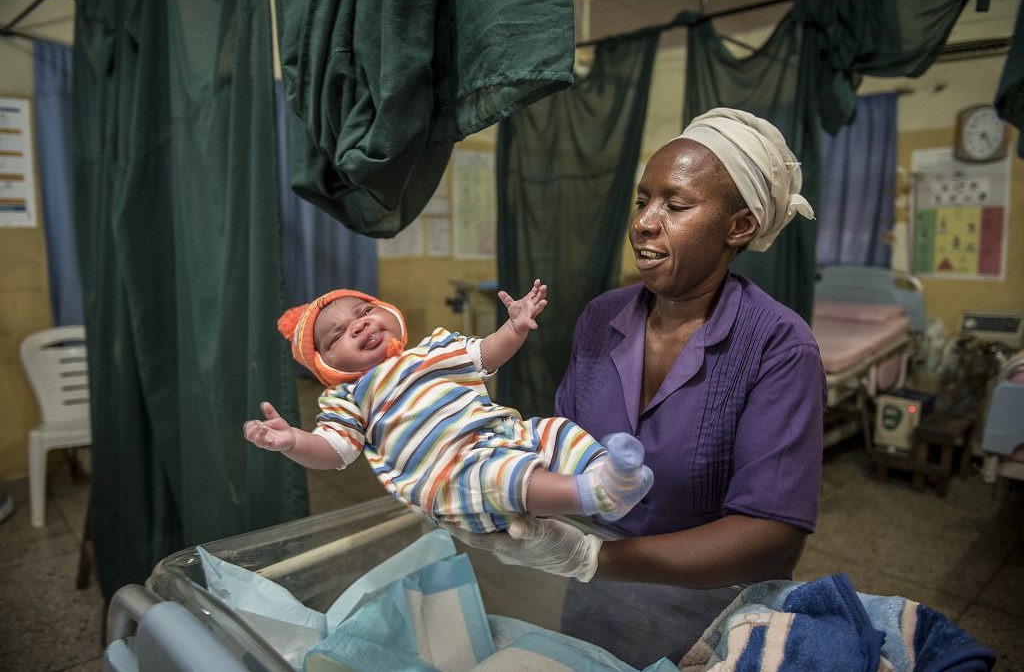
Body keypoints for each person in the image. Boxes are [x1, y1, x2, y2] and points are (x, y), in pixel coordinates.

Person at [448, 108, 827, 664]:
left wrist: (593, 558)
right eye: (642, 200)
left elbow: (771, 534)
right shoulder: (603, 319)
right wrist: (480, 474)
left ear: (738, 227)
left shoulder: (777, 347)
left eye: (675, 206)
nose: (645, 223)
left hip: (710, 616)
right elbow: (559, 443)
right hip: (594, 602)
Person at [243, 280, 653, 534]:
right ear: (326, 366)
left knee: (555, 430)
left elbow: (487, 356)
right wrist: (293, 441)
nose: (361, 325)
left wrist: (513, 328)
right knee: (503, 474)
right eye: (339, 335)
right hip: (450, 475)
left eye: (365, 311)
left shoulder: (433, 350)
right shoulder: (349, 398)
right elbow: (333, 453)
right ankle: (589, 493)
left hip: (499, 433)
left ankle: (610, 476)